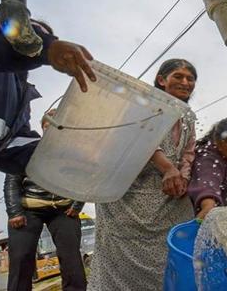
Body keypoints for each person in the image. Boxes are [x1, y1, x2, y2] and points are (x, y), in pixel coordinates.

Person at [87, 59, 197, 291]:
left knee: (180, 256)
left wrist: (183, 178)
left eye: (190, 79)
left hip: (169, 196)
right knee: (126, 267)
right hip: (130, 197)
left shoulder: (187, 115)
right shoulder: (144, 104)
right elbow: (136, 137)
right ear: (161, 80)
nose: (186, 82)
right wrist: (167, 167)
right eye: (178, 76)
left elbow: (188, 152)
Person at [0, 16, 96, 187]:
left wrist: (64, 156)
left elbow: (13, 147)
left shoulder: (19, 100)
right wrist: (47, 47)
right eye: (33, 35)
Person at [4, 111, 86, 291]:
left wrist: (77, 204)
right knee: (21, 258)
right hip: (28, 208)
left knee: (71, 257)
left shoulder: (75, 154)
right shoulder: (27, 148)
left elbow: (83, 181)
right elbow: (12, 181)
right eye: (48, 127)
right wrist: (15, 212)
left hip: (63, 210)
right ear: (43, 128)